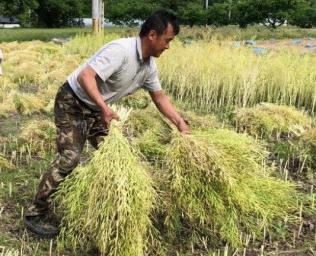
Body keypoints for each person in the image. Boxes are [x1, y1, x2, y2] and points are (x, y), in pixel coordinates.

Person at [23, 9, 190, 237]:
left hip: (97, 109)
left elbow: (158, 96)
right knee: (70, 158)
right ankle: (36, 212)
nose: (168, 46)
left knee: (122, 155)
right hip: (72, 101)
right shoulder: (121, 51)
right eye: (168, 40)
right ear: (153, 34)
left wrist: (179, 122)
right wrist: (104, 108)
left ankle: (115, 206)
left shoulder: (148, 66)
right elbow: (85, 76)